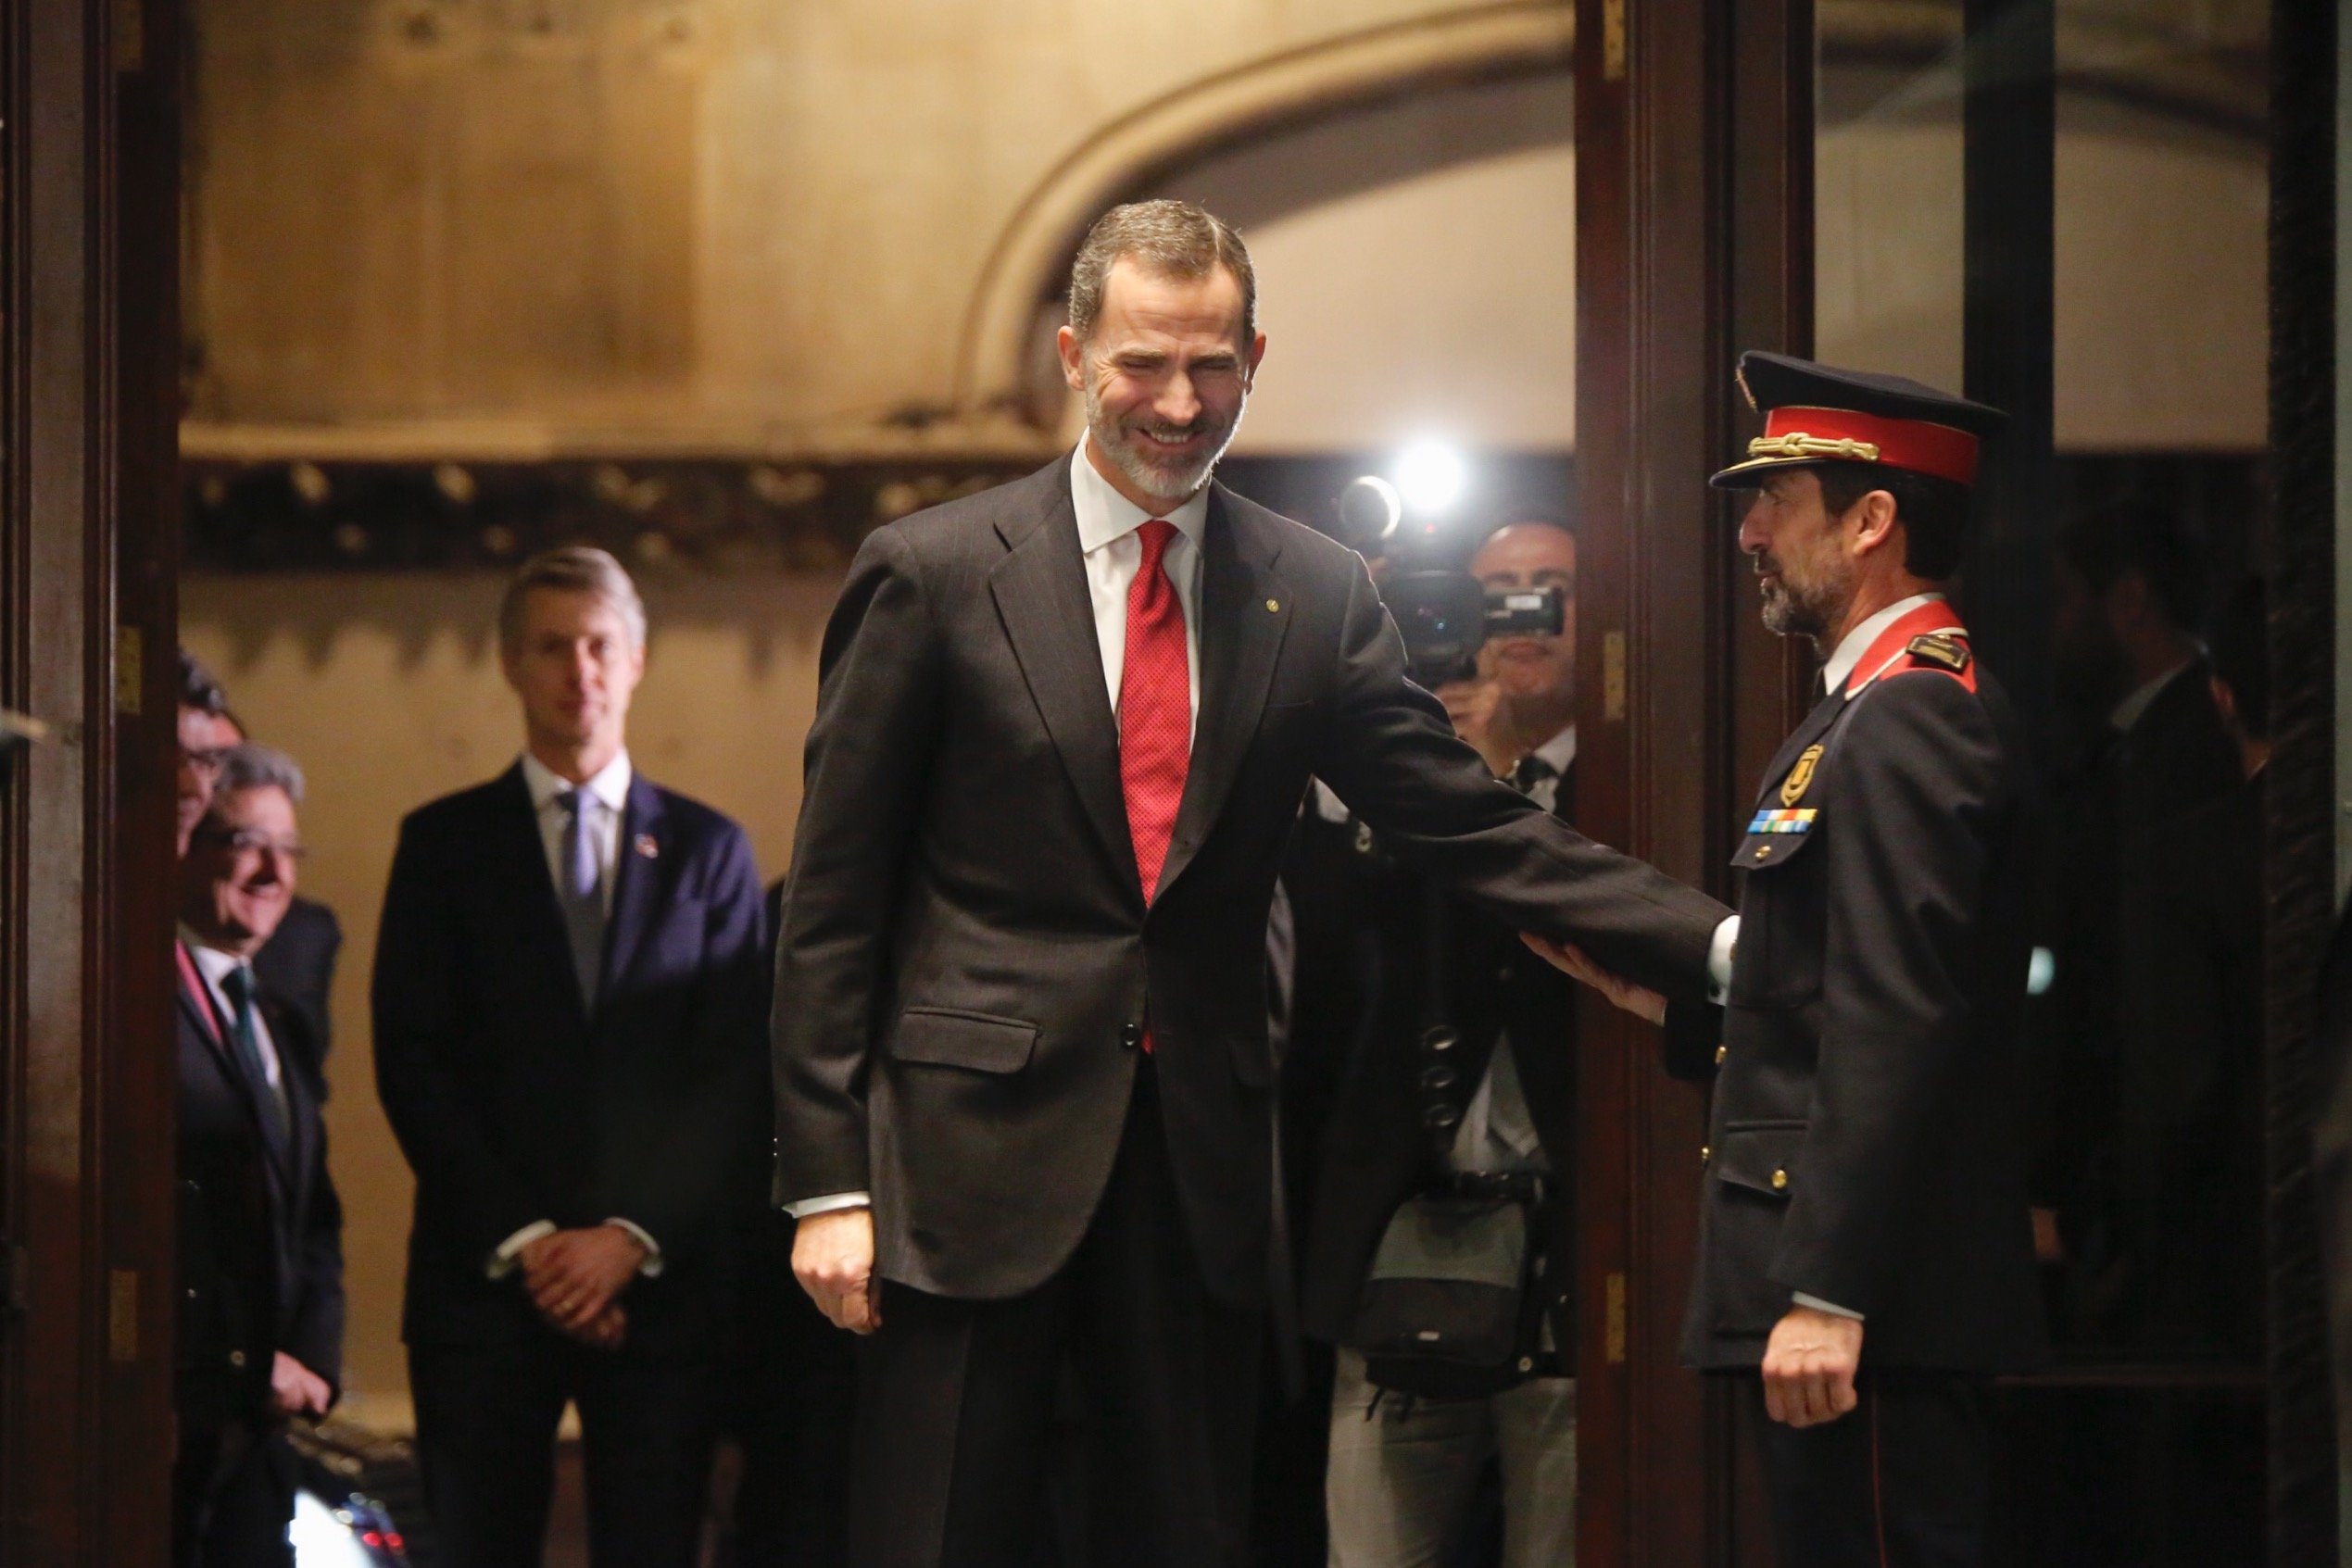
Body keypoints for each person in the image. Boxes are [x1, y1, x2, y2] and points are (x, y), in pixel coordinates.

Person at [771, 199, 1732, 1568]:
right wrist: (825, 1182)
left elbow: (1473, 826)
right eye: (1141, 363)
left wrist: (1714, 947)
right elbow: (831, 900)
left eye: (1211, 364)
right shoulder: (930, 575)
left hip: (1197, 1170)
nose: (1177, 401)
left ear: (1255, 356)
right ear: (1069, 354)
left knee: (1181, 1534)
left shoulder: (1314, 593)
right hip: (959, 1163)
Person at [1529, 352, 2045, 1568]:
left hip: (1877, 1300)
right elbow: (1842, 987)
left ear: (1870, 520)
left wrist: (1826, 1289)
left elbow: (1897, 1008)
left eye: (1775, 501)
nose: (1749, 533)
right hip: (1874, 1286)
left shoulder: (1909, 713)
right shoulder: (1873, 707)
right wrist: (1682, 1005)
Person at [372, 546, 768, 1567]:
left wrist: (627, 1236)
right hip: (487, 1280)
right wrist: (535, 1240)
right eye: (552, 647)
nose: (577, 671)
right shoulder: (441, 844)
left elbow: (732, 1069)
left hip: (661, 1289)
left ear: (635, 662)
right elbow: (413, 1059)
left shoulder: (708, 850)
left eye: (599, 645)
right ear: (510, 664)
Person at [1299, 517, 1583, 1568]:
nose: (1522, 614)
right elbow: (1334, 931)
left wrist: (1508, 780)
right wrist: (1423, 770)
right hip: (1406, 1229)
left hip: (1576, 1242)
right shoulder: (1401, 780)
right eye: (1496, 592)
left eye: (1548, 587)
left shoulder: (1641, 780)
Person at [174, 744, 346, 1567]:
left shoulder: (276, 1010)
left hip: (269, 1426)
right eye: (245, 841)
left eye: (288, 847)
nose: (274, 870)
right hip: (182, 1421)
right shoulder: (137, 997)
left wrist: (312, 1356)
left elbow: (313, 1208)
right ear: (185, 846)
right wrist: (246, 1371)